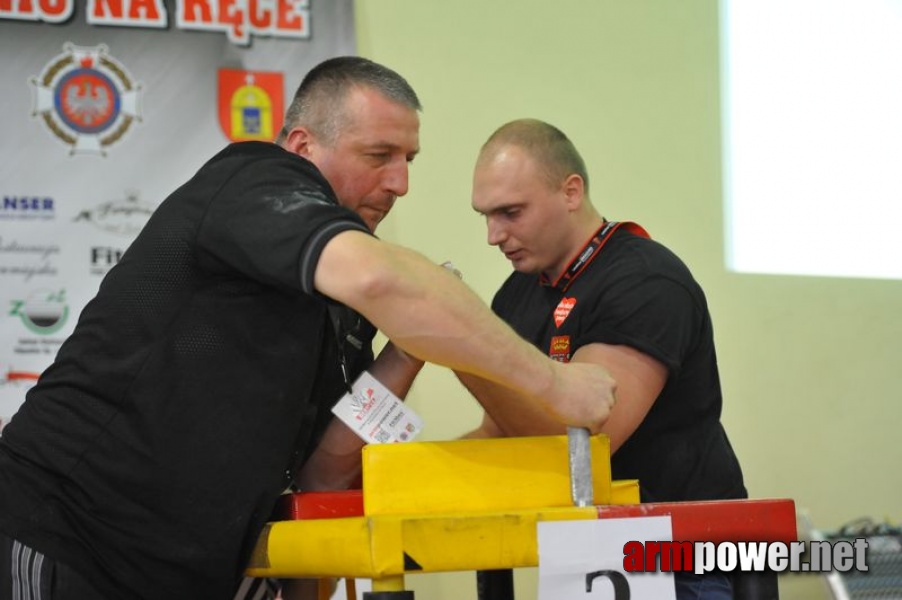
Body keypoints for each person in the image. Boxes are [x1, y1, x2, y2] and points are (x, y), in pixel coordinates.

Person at [0, 60, 617, 600]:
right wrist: (556, 385)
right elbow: (386, 281)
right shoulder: (254, 178)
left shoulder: (337, 281)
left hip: (193, 566)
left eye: (409, 161)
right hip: (70, 535)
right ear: (301, 145)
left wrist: (405, 352)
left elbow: (327, 463)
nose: (400, 183)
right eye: (379, 157)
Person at [462, 119, 746, 599]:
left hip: (684, 555)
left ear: (571, 192)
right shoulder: (515, 294)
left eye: (510, 212)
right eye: (485, 215)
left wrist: (458, 344)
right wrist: (401, 476)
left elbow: (587, 447)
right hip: (589, 553)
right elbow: (499, 432)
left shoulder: (645, 281)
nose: (494, 235)